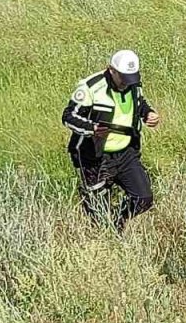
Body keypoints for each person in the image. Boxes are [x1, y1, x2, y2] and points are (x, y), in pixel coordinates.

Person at [62, 49, 161, 232]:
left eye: (131, 78)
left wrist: (148, 114)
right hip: (94, 155)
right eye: (123, 78)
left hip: (126, 153)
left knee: (143, 198)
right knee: (99, 213)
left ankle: (118, 222)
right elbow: (68, 116)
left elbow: (140, 103)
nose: (126, 83)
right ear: (111, 70)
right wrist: (91, 129)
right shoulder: (90, 87)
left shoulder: (132, 83)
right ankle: (106, 232)